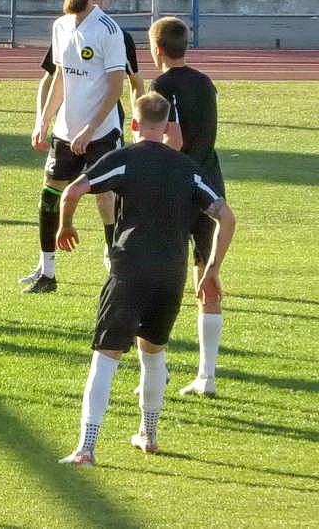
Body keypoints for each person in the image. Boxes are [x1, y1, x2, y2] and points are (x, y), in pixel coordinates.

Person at [55, 92, 235, 465]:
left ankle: (87, 446)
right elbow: (227, 217)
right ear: (167, 126)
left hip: (130, 268)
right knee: (153, 354)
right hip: (171, 272)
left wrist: (65, 225)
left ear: (134, 123)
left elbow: (71, 191)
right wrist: (212, 269)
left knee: (106, 356)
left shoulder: (124, 159)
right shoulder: (187, 168)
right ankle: (148, 434)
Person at [26, 0, 144, 277]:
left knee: (105, 193)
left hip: (103, 125)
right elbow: (55, 77)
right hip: (67, 127)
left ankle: (112, 254)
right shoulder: (64, 27)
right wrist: (42, 119)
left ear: (105, 0)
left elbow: (132, 82)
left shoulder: (115, 33)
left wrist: (138, 120)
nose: (89, 0)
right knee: (50, 191)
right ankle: (46, 267)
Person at [148, 17, 226, 397]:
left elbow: (174, 140)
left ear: (157, 49)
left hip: (178, 186)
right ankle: (206, 376)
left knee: (161, 277)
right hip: (210, 184)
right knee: (206, 277)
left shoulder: (161, 86)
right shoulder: (205, 82)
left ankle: (156, 370)